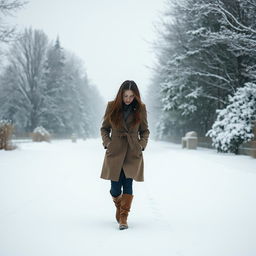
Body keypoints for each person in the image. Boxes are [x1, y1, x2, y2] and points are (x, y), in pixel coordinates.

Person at [100, 80, 150, 230]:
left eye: (131, 96)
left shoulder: (141, 108)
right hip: (115, 151)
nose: (128, 99)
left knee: (128, 183)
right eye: (125, 96)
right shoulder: (111, 106)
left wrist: (141, 145)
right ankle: (119, 204)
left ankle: (123, 217)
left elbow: (145, 131)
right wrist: (108, 143)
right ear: (120, 95)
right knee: (115, 188)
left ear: (136, 96)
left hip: (132, 152)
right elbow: (104, 129)